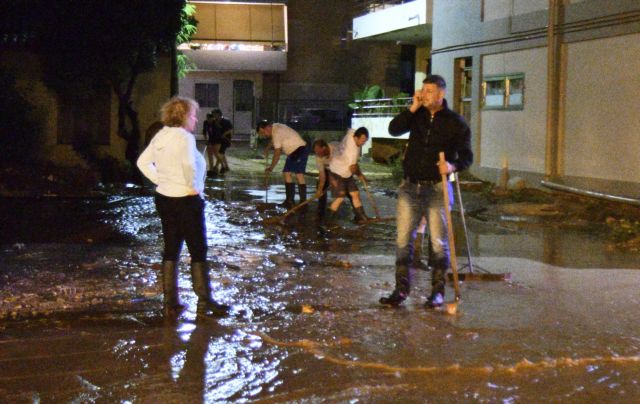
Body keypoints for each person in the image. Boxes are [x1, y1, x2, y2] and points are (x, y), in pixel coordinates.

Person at [379, 75, 473, 309]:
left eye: (429, 91)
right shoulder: (416, 115)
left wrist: (452, 166)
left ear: (441, 94)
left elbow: (467, 157)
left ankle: (437, 293)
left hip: (437, 188)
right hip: (410, 186)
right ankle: (400, 291)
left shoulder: (456, 123)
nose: (424, 94)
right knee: (403, 241)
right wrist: (412, 108)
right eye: (423, 90)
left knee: (438, 243)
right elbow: (393, 129)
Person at [137, 96, 230, 318]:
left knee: (172, 248)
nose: (196, 119)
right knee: (198, 249)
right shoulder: (185, 138)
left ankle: (171, 303)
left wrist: (160, 180)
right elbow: (189, 165)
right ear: (184, 116)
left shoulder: (161, 135)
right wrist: (191, 186)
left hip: (164, 198)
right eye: (193, 115)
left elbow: (142, 162)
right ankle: (205, 302)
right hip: (186, 200)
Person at [257, 120, 309, 208]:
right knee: (290, 173)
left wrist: (271, 167)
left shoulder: (276, 133)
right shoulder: (275, 126)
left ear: (267, 127)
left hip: (299, 150)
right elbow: (273, 139)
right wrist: (268, 148)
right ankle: (292, 201)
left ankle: (300, 202)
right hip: (295, 151)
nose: (264, 135)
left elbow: (277, 154)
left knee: (296, 174)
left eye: (263, 132)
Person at [326, 127, 370, 224]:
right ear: (356, 137)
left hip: (346, 171)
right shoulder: (352, 151)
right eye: (362, 140)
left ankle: (361, 217)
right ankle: (327, 221)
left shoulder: (352, 134)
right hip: (337, 172)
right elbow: (353, 168)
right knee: (340, 198)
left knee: (355, 194)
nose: (364, 143)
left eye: (365, 140)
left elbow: (349, 129)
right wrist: (361, 175)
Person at [203, 109, 233, 175]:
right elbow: (205, 132)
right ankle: (224, 167)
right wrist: (207, 140)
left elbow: (230, 130)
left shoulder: (225, 121)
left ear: (218, 114)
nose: (213, 116)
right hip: (216, 139)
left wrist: (224, 135)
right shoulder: (212, 121)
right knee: (220, 153)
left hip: (224, 139)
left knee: (219, 153)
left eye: (214, 114)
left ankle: (219, 167)